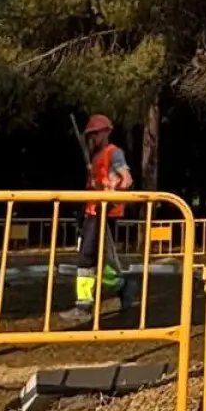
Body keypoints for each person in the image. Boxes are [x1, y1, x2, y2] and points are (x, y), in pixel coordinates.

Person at [75, 114, 130, 310]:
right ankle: (119, 287)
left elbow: (126, 179)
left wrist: (113, 191)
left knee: (91, 257)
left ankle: (86, 302)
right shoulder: (96, 157)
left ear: (106, 133)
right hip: (92, 211)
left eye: (96, 134)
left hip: (106, 213)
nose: (93, 138)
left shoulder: (113, 153)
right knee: (94, 258)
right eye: (91, 135)